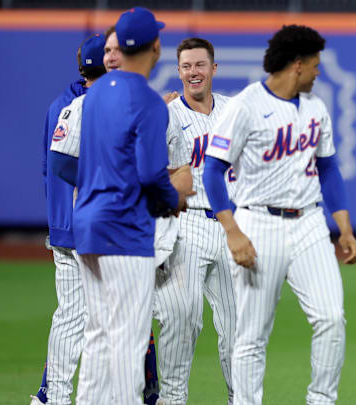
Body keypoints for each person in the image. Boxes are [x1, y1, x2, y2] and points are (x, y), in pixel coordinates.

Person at [202, 24, 356, 405]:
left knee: (331, 319)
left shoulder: (315, 108)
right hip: (259, 222)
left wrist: (345, 228)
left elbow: (328, 169)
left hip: (308, 223)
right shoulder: (245, 106)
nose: (319, 71)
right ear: (298, 65)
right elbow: (212, 170)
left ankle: (321, 400)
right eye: (316, 63)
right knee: (252, 334)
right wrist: (232, 230)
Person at [52, 7, 190, 403]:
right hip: (125, 232)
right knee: (129, 344)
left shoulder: (93, 97)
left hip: (88, 229)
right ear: (155, 46)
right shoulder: (148, 101)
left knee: (97, 339)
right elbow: (150, 175)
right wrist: (172, 199)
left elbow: (74, 161)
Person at [32, 32, 164, 405]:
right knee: (125, 315)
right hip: (100, 226)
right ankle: (140, 394)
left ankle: (50, 397)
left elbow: (49, 168)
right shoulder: (104, 104)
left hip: (66, 225)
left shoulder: (62, 104)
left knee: (74, 318)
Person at [153, 37, 238, 405]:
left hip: (232, 226)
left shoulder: (237, 111)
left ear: (214, 69)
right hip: (187, 226)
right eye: (186, 66)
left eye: (200, 65)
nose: (193, 72)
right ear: (178, 71)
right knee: (182, 319)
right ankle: (172, 400)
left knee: (240, 330)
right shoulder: (167, 114)